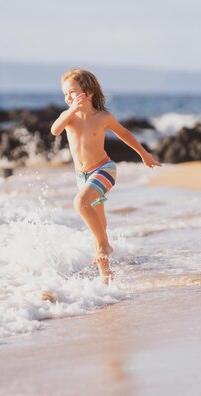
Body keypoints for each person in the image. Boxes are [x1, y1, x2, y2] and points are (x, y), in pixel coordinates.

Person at [50, 68, 161, 284]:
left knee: (80, 202)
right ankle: (106, 276)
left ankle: (104, 246)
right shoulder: (68, 117)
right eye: (65, 94)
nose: (68, 98)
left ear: (88, 93)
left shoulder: (103, 117)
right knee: (98, 226)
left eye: (73, 92)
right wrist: (72, 109)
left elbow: (124, 134)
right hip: (82, 177)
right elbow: (55, 130)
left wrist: (144, 154)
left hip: (104, 170)